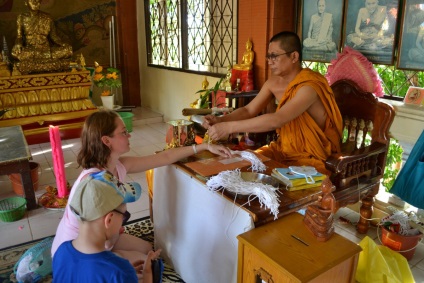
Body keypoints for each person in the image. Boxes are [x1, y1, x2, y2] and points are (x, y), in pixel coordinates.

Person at [51, 110, 232, 265]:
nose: (129, 135)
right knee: (142, 264)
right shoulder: (94, 183)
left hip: (105, 238)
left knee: (147, 250)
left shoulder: (119, 165)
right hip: (79, 251)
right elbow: (94, 239)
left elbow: (164, 158)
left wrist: (203, 147)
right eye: (123, 132)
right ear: (106, 141)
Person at [202, 31, 343, 174]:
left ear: (294, 56)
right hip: (282, 150)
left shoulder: (309, 86)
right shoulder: (273, 83)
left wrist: (228, 127)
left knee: (268, 182)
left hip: (309, 158)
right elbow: (248, 110)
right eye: (268, 56)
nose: (269, 61)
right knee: (241, 166)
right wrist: (220, 120)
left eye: (274, 56)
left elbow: (277, 120)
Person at [52, 170, 161, 282]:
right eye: (124, 216)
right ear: (109, 219)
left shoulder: (61, 251)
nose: (123, 223)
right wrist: (148, 274)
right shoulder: (119, 270)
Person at [11, 0, 72, 73]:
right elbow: (19, 36)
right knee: (15, 53)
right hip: (30, 50)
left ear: (40, 2)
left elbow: (54, 37)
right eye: (32, 0)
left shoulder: (48, 17)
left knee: (68, 50)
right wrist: (18, 44)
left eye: (38, 0)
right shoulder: (21, 17)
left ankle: (33, 64)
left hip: (46, 50)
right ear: (26, 2)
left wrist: (63, 44)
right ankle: (49, 63)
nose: (35, 2)